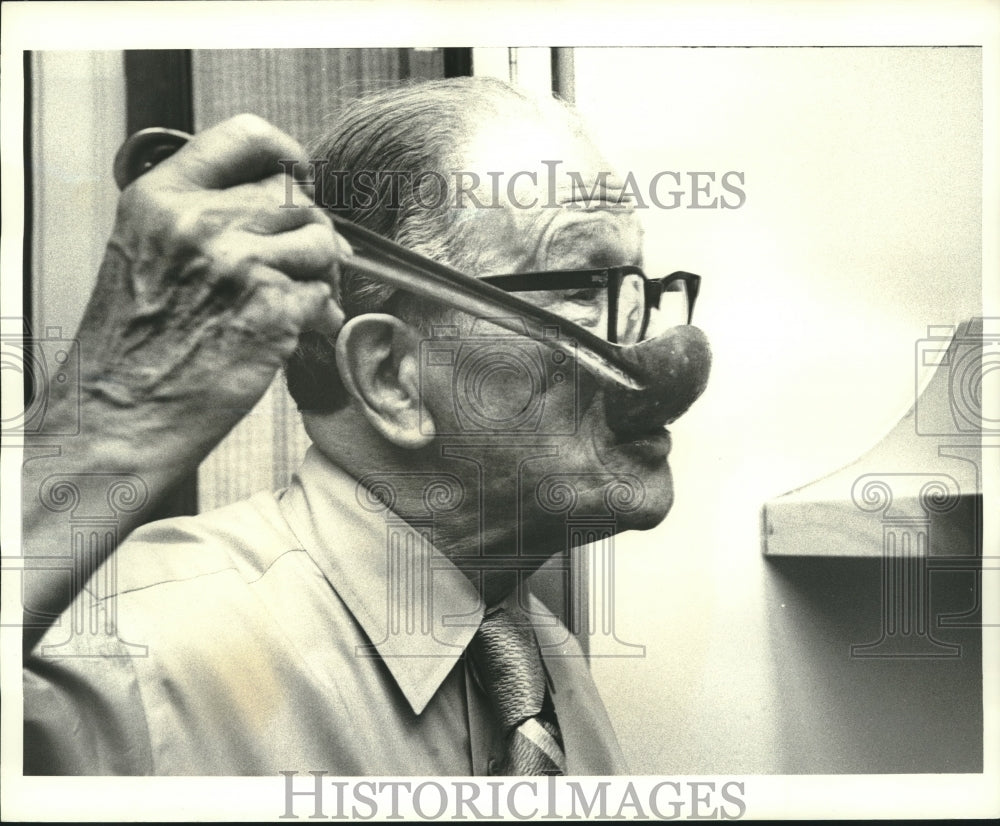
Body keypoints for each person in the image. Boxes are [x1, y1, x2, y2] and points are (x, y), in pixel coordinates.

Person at [22, 77, 711, 775]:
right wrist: (99, 431)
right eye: (580, 287)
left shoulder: (548, 665)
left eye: (638, 290)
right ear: (391, 379)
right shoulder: (126, 656)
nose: (649, 345)